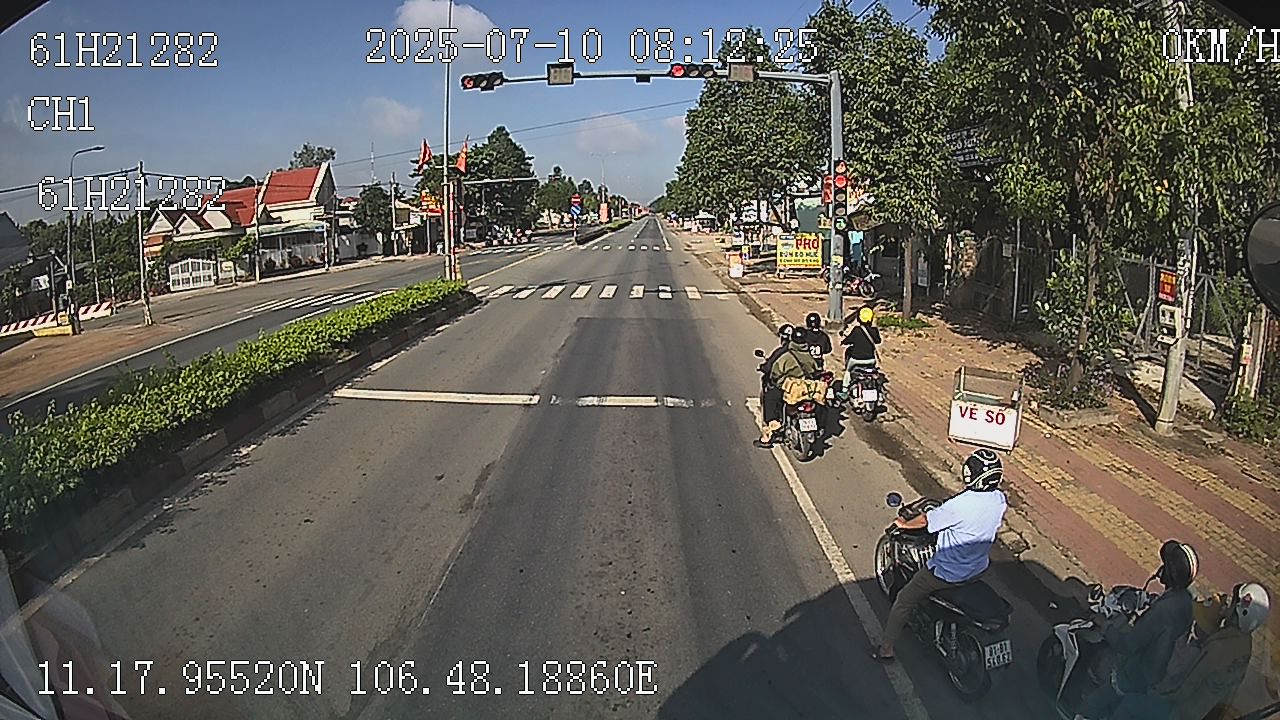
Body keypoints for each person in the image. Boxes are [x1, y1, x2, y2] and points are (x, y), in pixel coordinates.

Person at [872, 449, 1008, 661]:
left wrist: (904, 524)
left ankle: (886, 649)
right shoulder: (999, 499)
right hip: (978, 569)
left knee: (903, 600)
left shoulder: (960, 505)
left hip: (946, 573)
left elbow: (927, 521)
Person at [1074, 540, 1200, 720]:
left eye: (1165, 566)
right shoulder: (1186, 602)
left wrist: (1105, 625)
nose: (1160, 569)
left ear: (1170, 572)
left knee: (1089, 706)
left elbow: (1127, 645)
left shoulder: (1162, 611)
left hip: (1137, 677)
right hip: (1158, 678)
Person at [755, 330, 819, 448]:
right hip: (806, 388)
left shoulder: (785, 355)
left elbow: (774, 372)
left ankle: (769, 432)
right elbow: (816, 369)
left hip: (789, 389)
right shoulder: (810, 354)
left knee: (769, 398)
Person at [838, 306, 882, 401]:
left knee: (848, 371)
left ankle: (844, 391)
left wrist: (843, 341)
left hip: (856, 359)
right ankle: (880, 392)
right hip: (871, 360)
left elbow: (848, 340)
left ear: (859, 318)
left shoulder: (857, 330)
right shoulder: (874, 330)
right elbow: (878, 341)